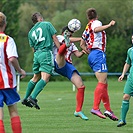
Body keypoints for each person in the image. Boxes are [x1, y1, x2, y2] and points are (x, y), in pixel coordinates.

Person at [80, 8, 118, 121]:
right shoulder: (96, 23)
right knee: (102, 82)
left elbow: (82, 44)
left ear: (88, 17)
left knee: (104, 83)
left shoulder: (87, 27)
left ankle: (108, 110)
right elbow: (96, 29)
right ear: (96, 16)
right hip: (97, 53)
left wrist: (89, 53)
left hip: (92, 54)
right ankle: (95, 107)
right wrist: (109, 25)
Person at [22, 12, 60, 109]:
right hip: (45, 53)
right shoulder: (47, 24)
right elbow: (55, 38)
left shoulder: (30, 32)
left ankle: (25, 98)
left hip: (36, 54)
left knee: (35, 77)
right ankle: (33, 97)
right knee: (45, 77)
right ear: (40, 19)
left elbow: (33, 48)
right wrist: (61, 50)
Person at [53, 26, 88, 120]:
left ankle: (78, 110)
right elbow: (66, 39)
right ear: (64, 33)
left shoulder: (72, 44)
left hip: (67, 66)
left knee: (81, 86)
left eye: (70, 34)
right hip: (57, 62)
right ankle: (64, 46)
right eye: (68, 33)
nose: (70, 34)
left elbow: (78, 55)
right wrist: (82, 38)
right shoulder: (59, 38)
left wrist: (85, 50)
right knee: (61, 53)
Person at [0, 12, 26, 133]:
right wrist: (20, 70)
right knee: (13, 111)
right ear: (4, 24)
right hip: (8, 81)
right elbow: (11, 58)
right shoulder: (8, 40)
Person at [117, 35, 133, 127]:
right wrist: (123, 74)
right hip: (131, 78)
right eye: (132, 38)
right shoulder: (130, 50)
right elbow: (128, 63)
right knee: (126, 97)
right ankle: (122, 120)